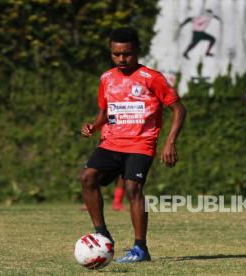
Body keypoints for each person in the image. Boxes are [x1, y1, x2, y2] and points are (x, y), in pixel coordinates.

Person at [80, 27, 186, 263]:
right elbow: (104, 111)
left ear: (137, 51)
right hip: (112, 141)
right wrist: (93, 126)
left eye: (126, 54)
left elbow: (179, 109)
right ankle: (102, 235)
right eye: (116, 54)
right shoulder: (106, 78)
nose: (121, 59)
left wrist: (170, 143)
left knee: (132, 189)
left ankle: (140, 249)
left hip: (141, 143)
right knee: (87, 178)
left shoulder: (152, 78)